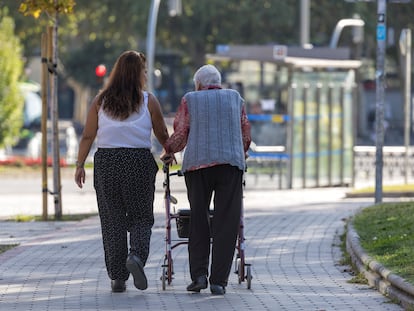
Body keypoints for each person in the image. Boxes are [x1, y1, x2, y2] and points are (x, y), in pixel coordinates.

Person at [74, 50, 170, 293]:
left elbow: (87, 135)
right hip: (138, 162)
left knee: (112, 220)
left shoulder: (100, 100)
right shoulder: (149, 101)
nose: (146, 75)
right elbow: (161, 132)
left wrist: (79, 164)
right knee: (140, 216)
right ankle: (136, 257)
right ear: (137, 74)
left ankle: (118, 277)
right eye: (144, 71)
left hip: (107, 163)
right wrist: (169, 151)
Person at [162, 64, 251, 295]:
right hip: (230, 165)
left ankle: (199, 276)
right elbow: (245, 132)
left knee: (199, 219)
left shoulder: (190, 99)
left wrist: (169, 150)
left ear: (199, 84)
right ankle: (219, 281)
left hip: (198, 166)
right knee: (226, 221)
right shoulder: (235, 98)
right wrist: (241, 151)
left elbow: (182, 134)